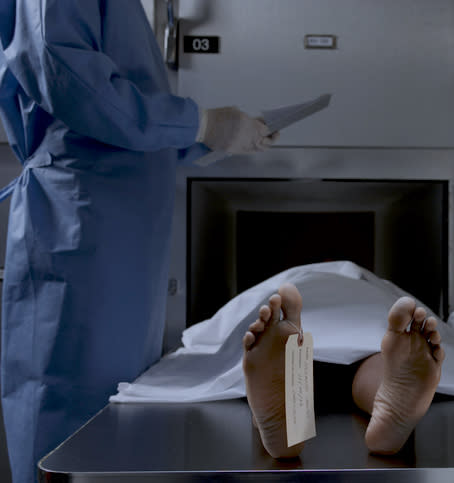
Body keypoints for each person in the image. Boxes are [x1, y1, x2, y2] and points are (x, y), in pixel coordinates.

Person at [0, 2, 277, 482]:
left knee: (115, 407)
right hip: (80, 225)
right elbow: (69, 79)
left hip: (116, 232)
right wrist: (198, 124)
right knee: (68, 414)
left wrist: (210, 137)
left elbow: (122, 109)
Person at [243, 283, 445, 458]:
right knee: (377, 362)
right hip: (367, 342)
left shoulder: (299, 277)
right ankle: (386, 411)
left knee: (293, 365)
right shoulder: (368, 282)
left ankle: (282, 412)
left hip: (298, 362)